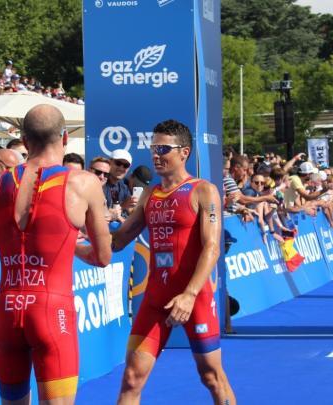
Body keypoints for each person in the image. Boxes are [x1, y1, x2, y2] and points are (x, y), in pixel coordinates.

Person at [0, 105, 111, 404]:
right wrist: (77, 248)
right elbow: (103, 256)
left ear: (25, 141)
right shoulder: (83, 183)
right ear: (65, 137)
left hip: (7, 308)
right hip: (51, 309)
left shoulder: (0, 182)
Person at [111, 119, 235, 404]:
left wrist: (190, 295)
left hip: (195, 298)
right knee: (132, 377)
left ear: (184, 152)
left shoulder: (204, 190)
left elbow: (212, 247)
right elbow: (117, 241)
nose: (156, 154)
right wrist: (72, 237)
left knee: (211, 376)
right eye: (153, 148)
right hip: (156, 299)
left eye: (163, 148)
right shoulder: (150, 195)